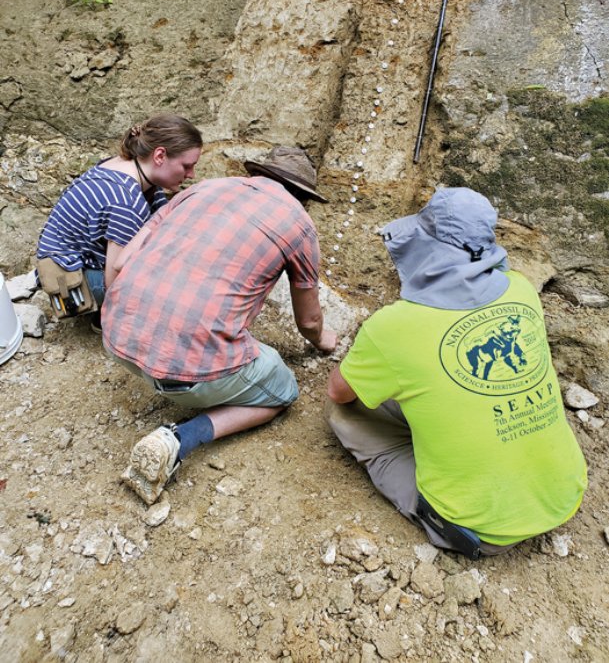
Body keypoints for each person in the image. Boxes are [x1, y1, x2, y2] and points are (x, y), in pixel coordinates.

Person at [326, 187, 587, 558]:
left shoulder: (392, 326)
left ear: (424, 248)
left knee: (344, 413)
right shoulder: (522, 290)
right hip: (564, 494)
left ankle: (438, 512)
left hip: (485, 529)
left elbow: (339, 391)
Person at [102, 145, 337, 505]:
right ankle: (180, 438)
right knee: (283, 388)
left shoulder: (202, 188)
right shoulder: (299, 225)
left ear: (258, 174)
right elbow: (308, 321)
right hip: (186, 375)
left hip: (117, 338)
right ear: (302, 196)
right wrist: (324, 340)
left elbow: (122, 264)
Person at [36, 114, 203, 322]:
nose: (191, 175)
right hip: (68, 278)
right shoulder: (126, 202)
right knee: (161, 287)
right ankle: (101, 318)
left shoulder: (126, 166)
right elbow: (115, 279)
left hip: (67, 257)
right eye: (187, 166)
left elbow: (162, 212)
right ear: (159, 156)